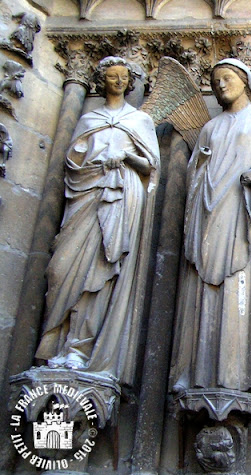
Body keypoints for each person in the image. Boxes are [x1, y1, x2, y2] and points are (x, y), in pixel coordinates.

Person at [36, 56, 159, 385]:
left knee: (102, 268)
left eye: (123, 77)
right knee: (60, 269)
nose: (118, 81)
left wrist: (126, 156)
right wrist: (93, 159)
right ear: (101, 81)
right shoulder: (89, 118)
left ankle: (82, 346)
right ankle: (57, 343)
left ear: (131, 82)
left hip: (119, 198)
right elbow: (72, 162)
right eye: (112, 76)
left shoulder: (140, 120)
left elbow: (151, 166)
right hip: (85, 197)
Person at [169, 58, 251, 394]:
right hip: (208, 216)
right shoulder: (210, 127)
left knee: (237, 288)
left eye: (227, 78)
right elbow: (194, 171)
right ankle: (195, 372)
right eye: (215, 81)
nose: (220, 85)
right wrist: (200, 162)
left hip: (240, 212)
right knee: (201, 293)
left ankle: (237, 373)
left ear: (244, 80)